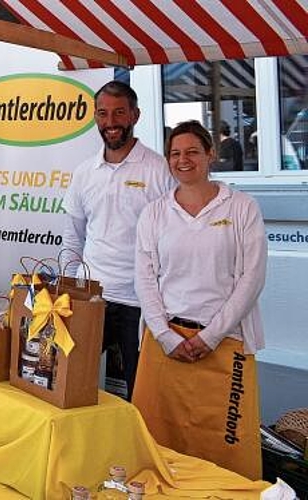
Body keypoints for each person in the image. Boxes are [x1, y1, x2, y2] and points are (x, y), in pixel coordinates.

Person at [133, 120, 266, 479]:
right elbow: (145, 278)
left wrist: (209, 337)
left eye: (192, 151)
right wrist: (165, 335)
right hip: (165, 345)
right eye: (175, 153)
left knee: (227, 445)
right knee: (157, 441)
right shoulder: (155, 213)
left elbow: (251, 279)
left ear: (211, 153)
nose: (183, 160)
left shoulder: (241, 207)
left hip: (224, 344)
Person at [62, 80, 177, 400]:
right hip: (93, 296)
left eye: (119, 113)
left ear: (135, 115)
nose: (110, 122)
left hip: (141, 303)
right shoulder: (85, 172)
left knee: (142, 394)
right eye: (103, 114)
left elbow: (172, 241)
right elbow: (73, 236)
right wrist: (69, 291)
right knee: (68, 381)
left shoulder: (159, 170)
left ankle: (140, 450)